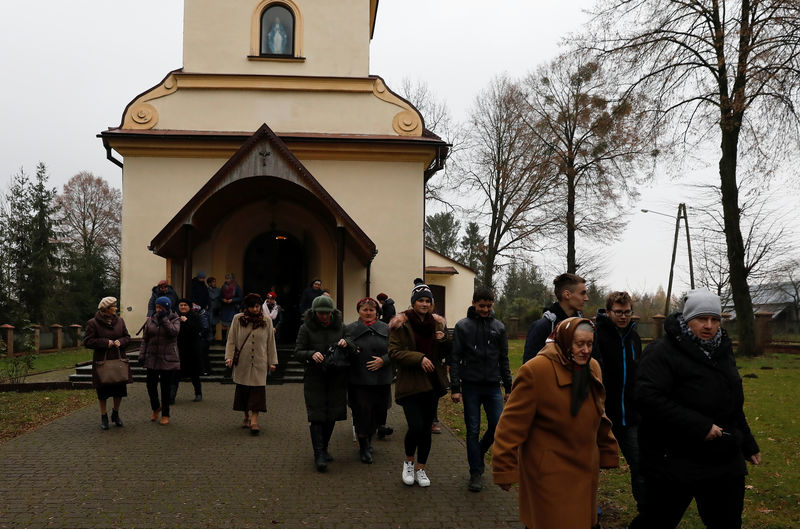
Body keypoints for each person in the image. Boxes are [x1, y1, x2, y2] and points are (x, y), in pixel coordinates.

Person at [635, 289, 761, 529]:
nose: (709, 325)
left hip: (723, 458)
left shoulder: (722, 349)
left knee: (727, 523)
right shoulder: (661, 352)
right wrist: (699, 426)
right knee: (656, 521)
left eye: (714, 319)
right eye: (701, 319)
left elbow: (732, 402)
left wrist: (748, 443)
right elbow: (646, 398)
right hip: (674, 459)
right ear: (687, 319)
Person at [492, 317, 619, 529]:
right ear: (565, 341)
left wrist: (607, 450)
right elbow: (510, 426)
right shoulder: (536, 371)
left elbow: (599, 413)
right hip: (549, 474)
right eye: (579, 344)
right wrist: (504, 468)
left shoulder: (593, 368)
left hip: (585, 469)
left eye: (590, 344)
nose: (586, 350)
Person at [450, 286, 512, 492]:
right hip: (471, 387)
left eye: (488, 305)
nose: (485, 309)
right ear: (474, 303)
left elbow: (504, 359)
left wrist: (509, 387)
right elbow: (455, 358)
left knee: (497, 427)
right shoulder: (462, 326)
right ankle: (475, 472)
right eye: (481, 305)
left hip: (493, 386)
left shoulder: (499, 327)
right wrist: (455, 387)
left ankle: (478, 451)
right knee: (473, 430)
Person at [592, 291, 646, 525]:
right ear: (608, 311)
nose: (623, 316)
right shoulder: (597, 335)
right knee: (590, 467)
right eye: (618, 312)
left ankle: (647, 512)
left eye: (627, 312)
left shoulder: (634, 338)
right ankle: (586, 510)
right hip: (601, 415)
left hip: (630, 416)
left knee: (640, 465)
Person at [389, 278, 449, 488]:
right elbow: (394, 352)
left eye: (427, 301)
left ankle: (421, 468)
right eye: (420, 300)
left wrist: (443, 340)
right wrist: (419, 358)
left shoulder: (438, 323)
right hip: (411, 383)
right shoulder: (401, 323)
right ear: (413, 302)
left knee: (426, 429)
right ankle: (408, 463)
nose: (424, 304)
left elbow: (447, 352)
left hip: (431, 383)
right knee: (415, 426)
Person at [295, 295, 354, 472]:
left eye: (327, 313)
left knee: (331, 416)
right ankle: (319, 454)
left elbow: (352, 344)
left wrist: (347, 342)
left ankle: (325, 448)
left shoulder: (341, 327)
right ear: (314, 312)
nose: (324, 316)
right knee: (317, 416)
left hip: (336, 378)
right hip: (315, 378)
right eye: (321, 313)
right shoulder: (305, 328)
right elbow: (298, 352)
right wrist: (311, 354)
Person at [344, 297, 392, 464]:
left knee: (378, 413)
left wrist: (383, 360)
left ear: (377, 312)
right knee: (361, 413)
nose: (368, 313)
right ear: (359, 311)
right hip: (358, 380)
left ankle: (369, 440)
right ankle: (364, 447)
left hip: (381, 379)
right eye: (365, 310)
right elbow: (343, 350)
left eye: (371, 310)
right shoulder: (349, 329)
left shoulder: (387, 328)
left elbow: (396, 349)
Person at [224, 293, 278, 435]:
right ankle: (246, 416)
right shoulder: (238, 319)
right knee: (244, 392)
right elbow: (231, 340)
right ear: (246, 307)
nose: (256, 309)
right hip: (242, 362)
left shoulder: (267, 320)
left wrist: (272, 361)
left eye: (257, 306)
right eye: (252, 307)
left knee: (257, 392)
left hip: (260, 362)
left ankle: (254, 421)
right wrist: (229, 357)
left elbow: (271, 343)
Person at [84, 296, 131, 430]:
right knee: (103, 392)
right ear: (106, 309)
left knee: (119, 390)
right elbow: (87, 341)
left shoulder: (120, 321)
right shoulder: (93, 323)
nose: (116, 308)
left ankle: (115, 414)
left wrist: (121, 342)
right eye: (114, 306)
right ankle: (103, 416)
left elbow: (127, 337)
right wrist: (105, 343)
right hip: (102, 362)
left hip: (118, 359)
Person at [522, 272, 588, 363]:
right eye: (582, 293)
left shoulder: (585, 326)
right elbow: (529, 368)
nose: (586, 298)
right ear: (567, 295)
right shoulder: (542, 327)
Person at [140, 296, 181, 425]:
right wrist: (142, 355)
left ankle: (165, 414)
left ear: (167, 307)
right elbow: (145, 339)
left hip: (168, 358)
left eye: (160, 307)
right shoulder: (151, 320)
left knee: (165, 387)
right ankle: (156, 407)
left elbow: (173, 332)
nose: (158, 310)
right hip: (152, 357)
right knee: (150, 385)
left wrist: (164, 319)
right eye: (157, 307)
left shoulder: (175, 319)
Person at [171, 298, 203, 403]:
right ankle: (171, 396)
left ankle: (198, 393)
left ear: (189, 307)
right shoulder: (175, 317)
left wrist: (186, 321)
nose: (183, 307)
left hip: (192, 350)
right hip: (179, 350)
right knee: (175, 374)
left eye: (185, 305)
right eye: (181, 305)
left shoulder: (195, 317)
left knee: (195, 374)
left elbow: (197, 330)